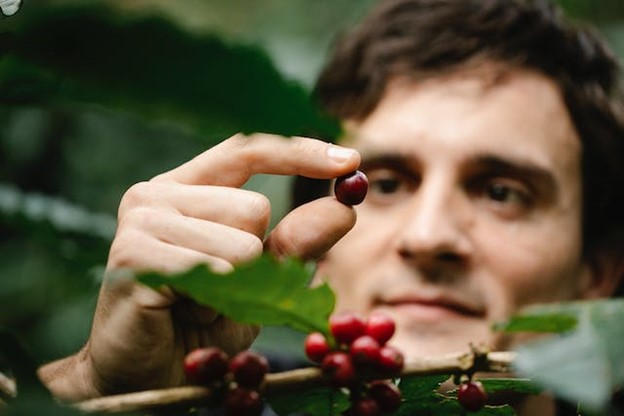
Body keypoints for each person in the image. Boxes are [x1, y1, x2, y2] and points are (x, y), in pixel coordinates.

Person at [37, 0, 624, 414]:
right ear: (313, 244)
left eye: (501, 193)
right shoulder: (225, 396)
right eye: (387, 184)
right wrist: (98, 392)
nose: (428, 236)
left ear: (598, 270)